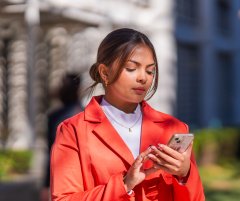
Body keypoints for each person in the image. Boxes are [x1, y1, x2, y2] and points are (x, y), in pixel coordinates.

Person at [50, 28, 205, 201]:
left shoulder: (174, 128)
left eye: (150, 71)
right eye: (131, 68)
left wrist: (185, 174)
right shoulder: (74, 131)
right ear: (105, 73)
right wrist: (124, 185)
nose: (143, 78)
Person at [41, 73, 83, 201]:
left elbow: (50, 153)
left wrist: (46, 185)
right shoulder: (86, 114)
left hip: (60, 177)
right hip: (82, 178)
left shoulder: (54, 117)